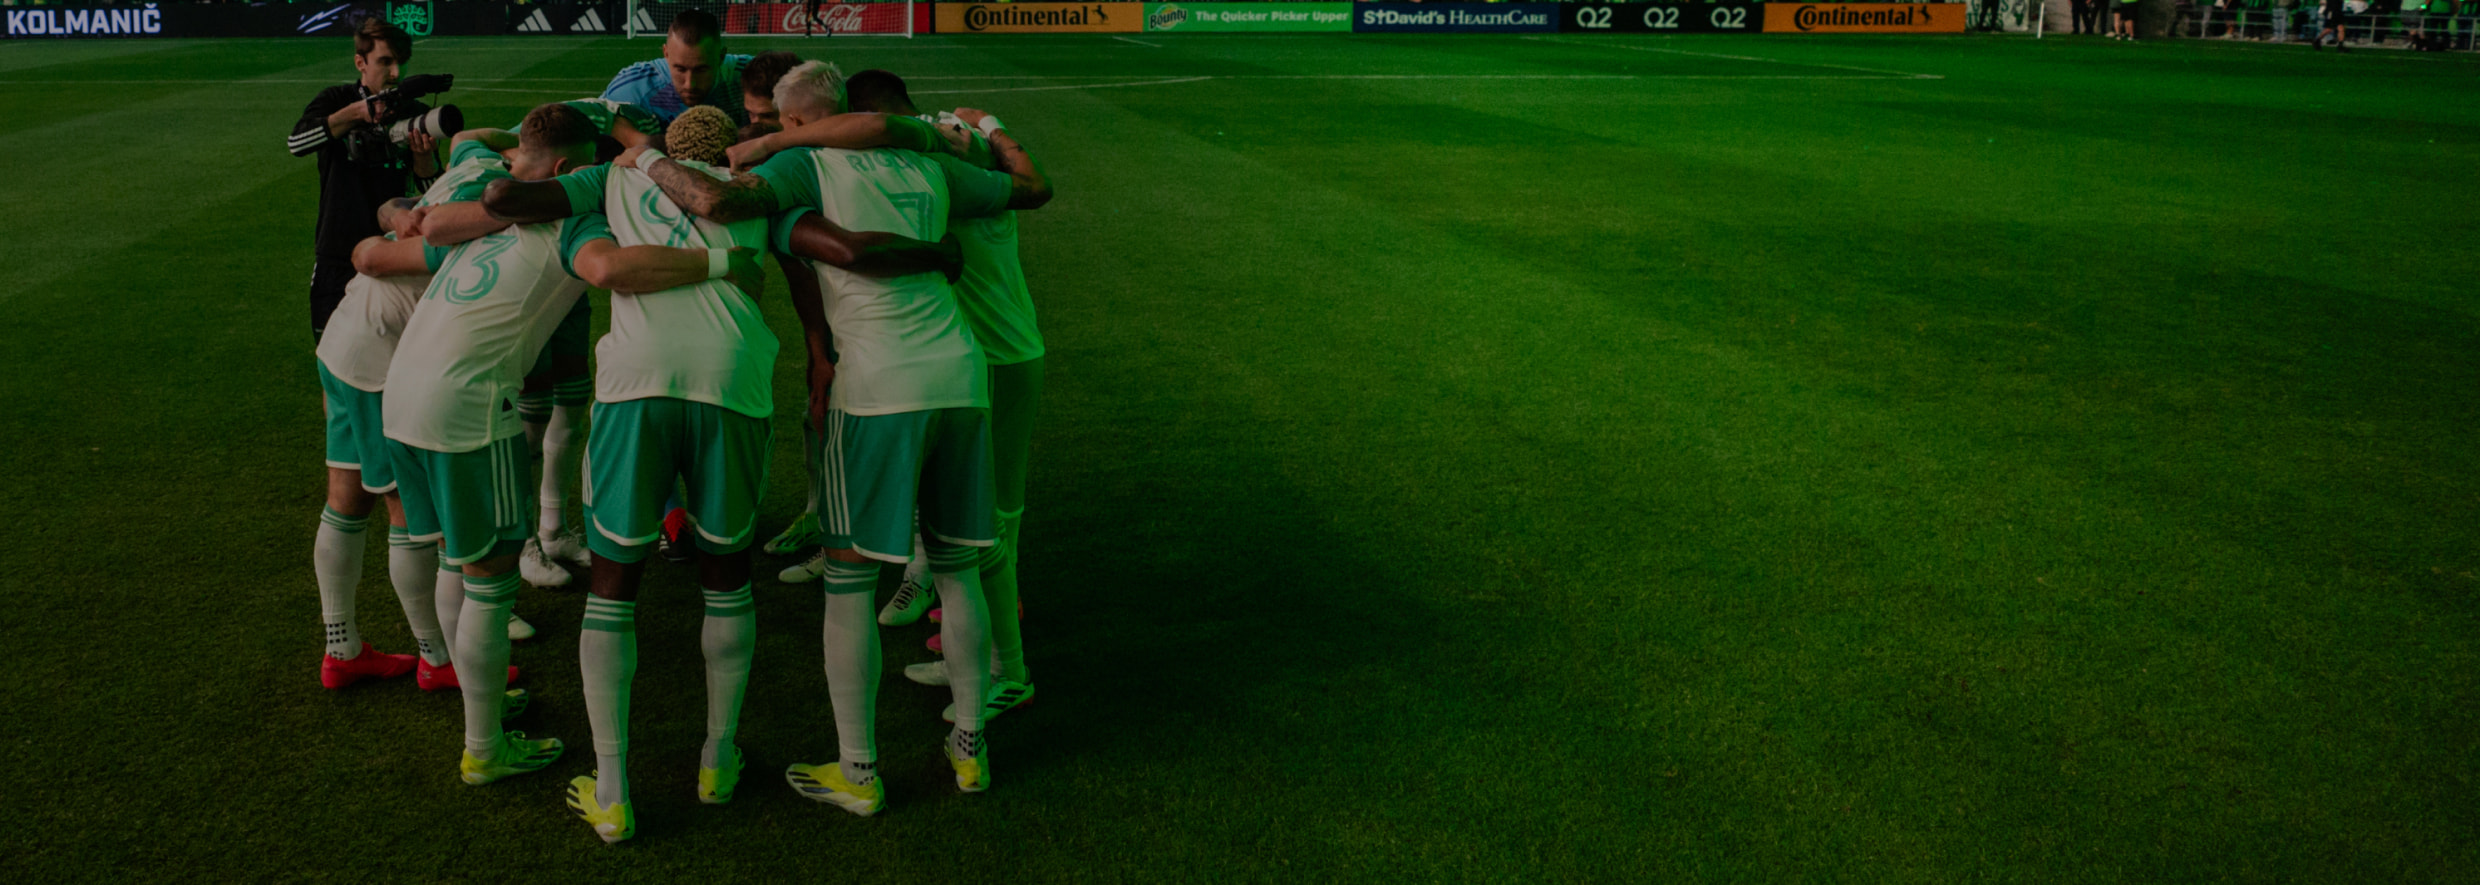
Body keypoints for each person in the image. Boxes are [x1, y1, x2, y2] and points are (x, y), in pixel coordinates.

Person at [479, 104, 960, 843]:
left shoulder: (611, 175)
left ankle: (612, 787)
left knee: (615, 582)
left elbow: (513, 200)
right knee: (726, 573)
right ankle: (717, 756)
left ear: (668, 142)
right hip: (734, 379)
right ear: (729, 145)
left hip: (638, 382)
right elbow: (816, 256)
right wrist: (821, 344)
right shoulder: (755, 186)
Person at [640, 60, 1035, 814]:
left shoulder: (802, 164)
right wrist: (982, 138)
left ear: (795, 123)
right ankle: (971, 751)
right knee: (957, 569)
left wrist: (647, 157)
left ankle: (858, 770)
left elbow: (721, 203)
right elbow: (1023, 192)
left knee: (850, 584)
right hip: (962, 376)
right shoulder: (928, 160)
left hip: (880, 389)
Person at [366, 102, 767, 787]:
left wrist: (399, 212)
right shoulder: (574, 215)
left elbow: (382, 243)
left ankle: (473, 698)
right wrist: (727, 260)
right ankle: (484, 743)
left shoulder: (482, 213)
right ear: (567, 171)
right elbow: (608, 268)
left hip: (400, 393)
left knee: (450, 560)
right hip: (467, 402)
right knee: (490, 583)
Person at [820, 70, 1052, 725]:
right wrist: (990, 125)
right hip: (977, 359)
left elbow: (1032, 188)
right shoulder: (952, 144)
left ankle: (1010, 670)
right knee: (963, 518)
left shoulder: (946, 162)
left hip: (999, 359)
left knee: (994, 522)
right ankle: (956, 621)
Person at [289, 19, 442, 340]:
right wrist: (356, 114)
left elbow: (435, 198)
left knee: (393, 358)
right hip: (337, 249)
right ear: (360, 62)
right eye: (385, 62)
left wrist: (424, 160)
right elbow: (296, 144)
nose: (396, 73)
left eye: (400, 62)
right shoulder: (336, 99)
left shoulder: (413, 112)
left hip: (392, 253)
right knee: (330, 352)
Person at [600, 9, 751, 128]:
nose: (689, 84)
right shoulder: (636, 87)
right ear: (666, 53)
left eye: (701, 70)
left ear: (721, 57)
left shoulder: (752, 76)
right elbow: (584, 125)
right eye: (680, 69)